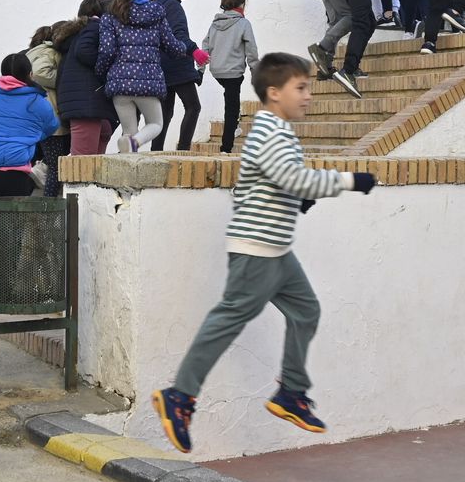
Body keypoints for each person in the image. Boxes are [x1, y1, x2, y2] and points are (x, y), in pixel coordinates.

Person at [151, 53, 378, 454]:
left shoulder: (278, 132)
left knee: (306, 310)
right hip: (257, 250)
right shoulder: (269, 131)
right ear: (274, 93)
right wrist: (349, 180)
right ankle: (180, 396)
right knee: (227, 320)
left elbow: (271, 183)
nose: (308, 96)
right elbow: (292, 176)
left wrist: (297, 200)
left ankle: (291, 392)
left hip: (276, 249)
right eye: (301, 88)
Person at [97, 0, 191, 152]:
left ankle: (126, 169)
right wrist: (185, 48)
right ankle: (134, 143)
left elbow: (107, 51)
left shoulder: (110, 17)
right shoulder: (156, 14)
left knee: (129, 131)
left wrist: (101, 73)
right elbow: (172, 46)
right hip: (148, 83)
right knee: (155, 124)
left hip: (120, 83)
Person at [0, 53, 61, 197]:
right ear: (30, 74)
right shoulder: (37, 102)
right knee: (17, 218)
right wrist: (30, 135)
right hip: (15, 174)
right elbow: (52, 126)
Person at [150, 0, 213, 152]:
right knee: (193, 107)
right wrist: (195, 51)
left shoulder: (153, 3)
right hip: (177, 64)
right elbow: (179, 34)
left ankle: (156, 151)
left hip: (159, 65)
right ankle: (184, 150)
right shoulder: (173, 5)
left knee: (165, 112)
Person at [57, 0, 119, 156]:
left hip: (81, 100)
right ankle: (82, 181)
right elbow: (83, 51)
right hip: (86, 102)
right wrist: (104, 67)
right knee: (83, 160)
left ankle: (92, 178)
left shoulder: (78, 33)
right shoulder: (95, 27)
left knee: (103, 132)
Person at [203, 0, 259, 154]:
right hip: (233, 72)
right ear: (242, 5)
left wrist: (200, 70)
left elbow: (205, 46)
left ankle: (233, 126)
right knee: (231, 107)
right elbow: (251, 49)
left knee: (230, 97)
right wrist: (254, 69)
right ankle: (226, 147)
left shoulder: (214, 24)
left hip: (216, 70)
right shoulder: (243, 23)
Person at [26, 25, 72, 195]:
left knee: (44, 158)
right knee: (56, 165)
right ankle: (49, 207)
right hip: (51, 115)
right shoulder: (49, 51)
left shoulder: (30, 54)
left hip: (35, 115)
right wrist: (63, 82)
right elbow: (39, 74)